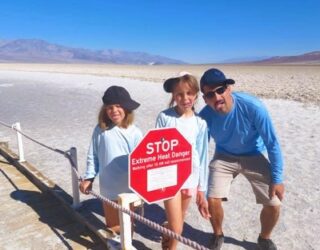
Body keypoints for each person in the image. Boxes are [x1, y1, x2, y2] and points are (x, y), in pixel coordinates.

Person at [198, 68, 284, 250]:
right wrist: (201, 187)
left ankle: (264, 238)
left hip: (253, 154)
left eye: (220, 90)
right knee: (212, 198)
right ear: (205, 99)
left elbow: (272, 143)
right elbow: (200, 152)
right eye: (210, 94)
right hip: (224, 156)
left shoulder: (253, 107)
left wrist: (277, 179)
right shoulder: (204, 117)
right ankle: (218, 234)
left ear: (229, 88)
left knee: (274, 203)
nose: (217, 97)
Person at [155, 72, 210, 250]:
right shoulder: (165, 117)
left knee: (180, 216)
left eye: (189, 93)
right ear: (173, 96)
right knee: (177, 228)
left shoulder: (200, 123)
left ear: (195, 94)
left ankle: (167, 231)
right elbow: (156, 150)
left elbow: (202, 156)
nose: (185, 98)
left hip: (191, 178)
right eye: (179, 94)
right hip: (169, 179)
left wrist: (201, 189)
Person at [79, 85, 143, 235]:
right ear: (105, 109)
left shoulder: (134, 132)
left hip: (128, 189)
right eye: (110, 107)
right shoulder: (100, 130)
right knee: (112, 227)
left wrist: (142, 187)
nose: (114, 110)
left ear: (127, 108)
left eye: (119, 106)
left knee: (127, 227)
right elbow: (93, 155)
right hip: (107, 188)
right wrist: (89, 177)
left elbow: (141, 162)